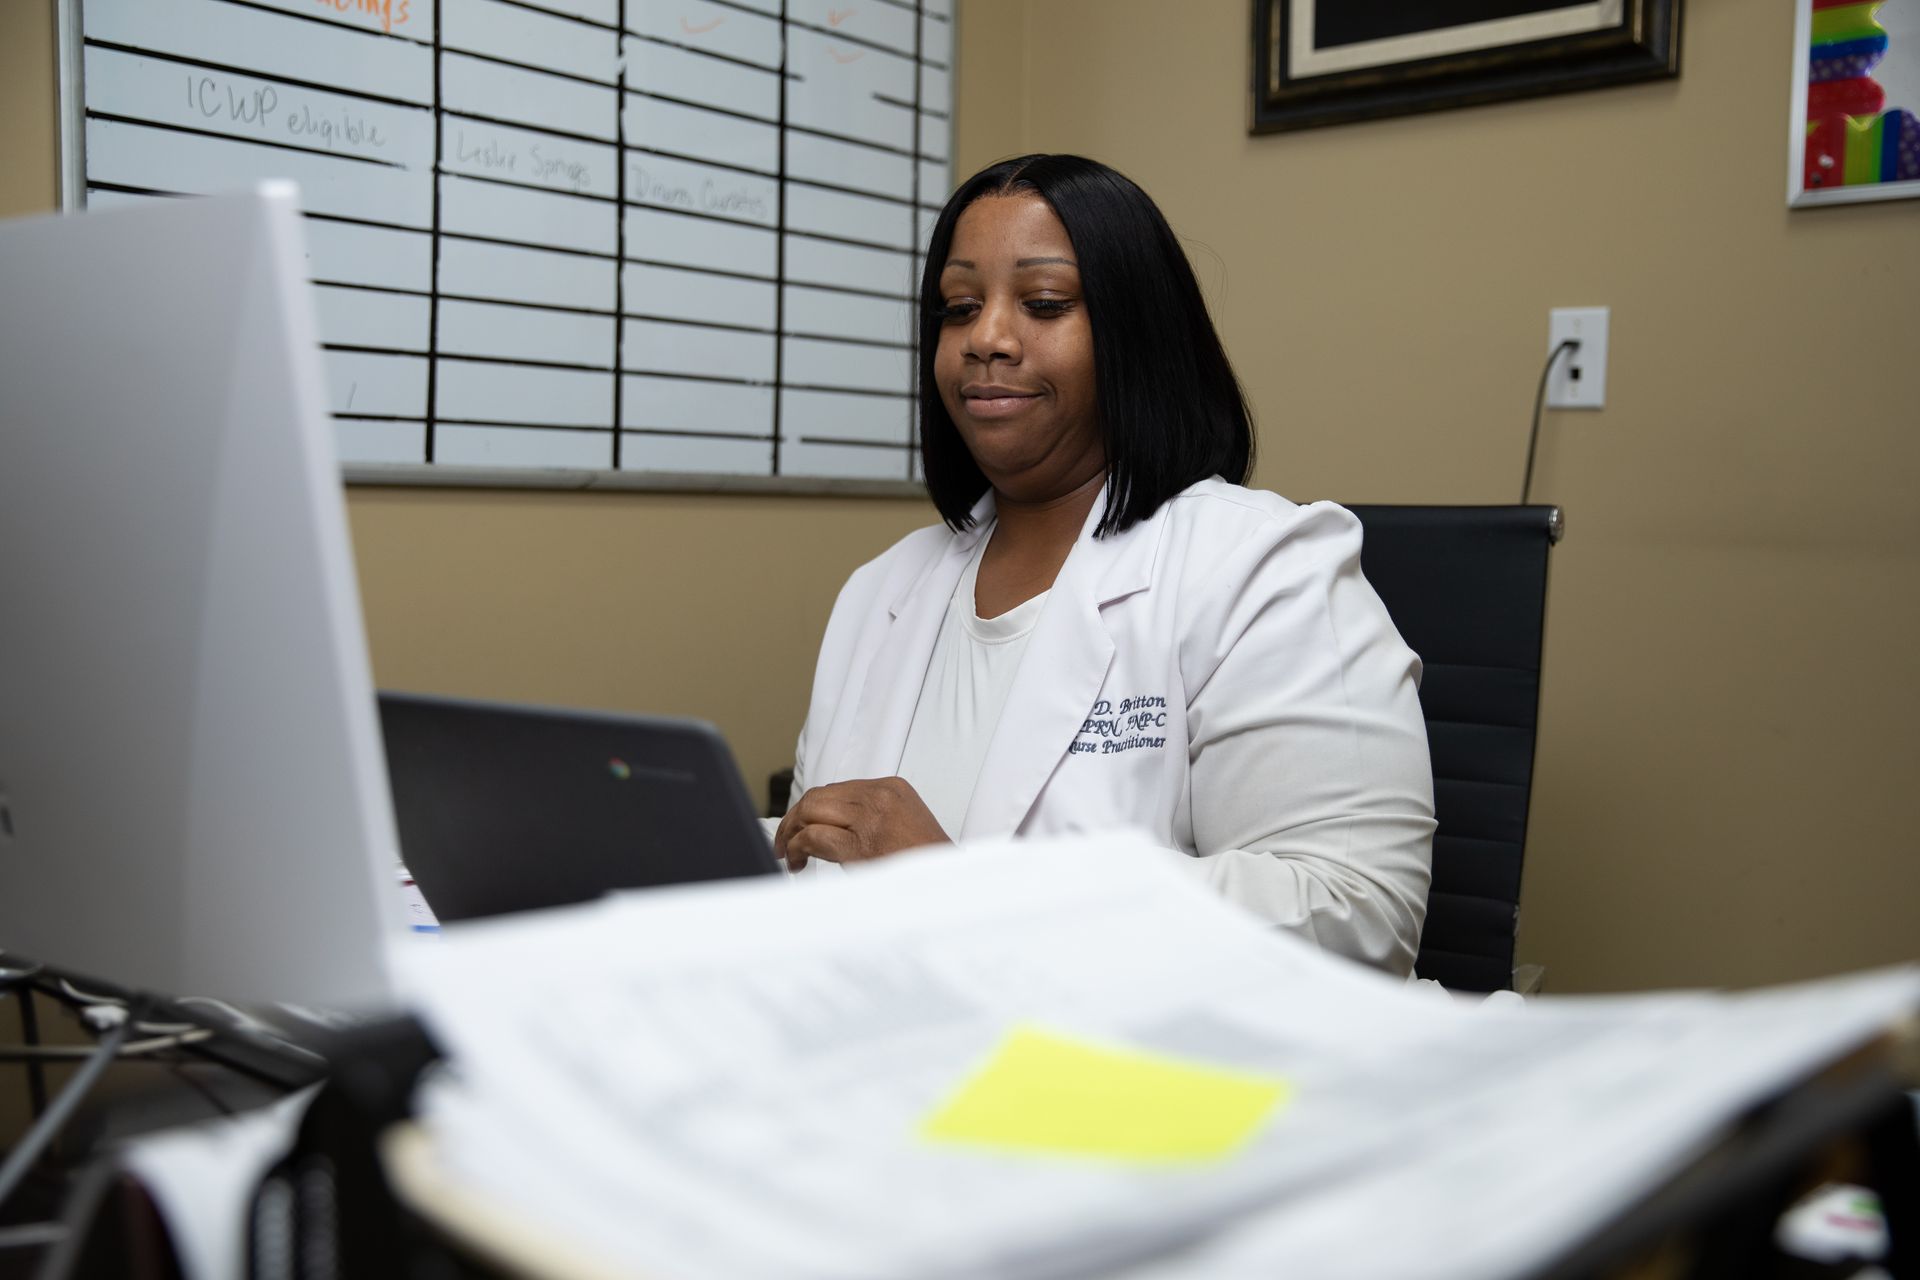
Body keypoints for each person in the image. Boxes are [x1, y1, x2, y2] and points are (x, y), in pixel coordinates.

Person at [772, 154, 1435, 975]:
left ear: (1136, 335)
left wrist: (967, 894)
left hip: (1158, 1080)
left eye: (1044, 303)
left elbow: (1356, 911)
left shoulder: (1263, 568)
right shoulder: (881, 591)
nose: (986, 339)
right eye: (959, 308)